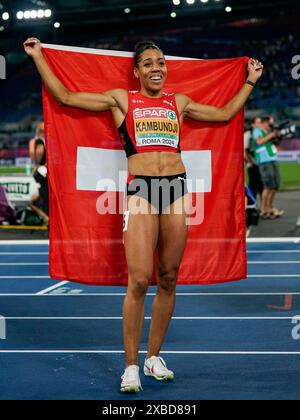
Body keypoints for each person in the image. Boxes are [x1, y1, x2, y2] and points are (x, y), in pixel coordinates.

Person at [23, 37, 264, 393]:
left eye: (161, 62)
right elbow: (66, 98)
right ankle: (131, 365)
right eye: (149, 63)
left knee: (167, 278)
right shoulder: (122, 99)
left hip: (176, 190)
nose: (157, 68)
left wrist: (249, 81)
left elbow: (225, 114)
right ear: (137, 71)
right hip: (142, 191)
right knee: (138, 281)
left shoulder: (178, 102)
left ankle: (153, 358)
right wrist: (39, 56)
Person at [252, 116, 282, 219]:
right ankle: (264, 210)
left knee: (275, 186)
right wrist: (271, 135)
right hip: (264, 161)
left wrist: (278, 136)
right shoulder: (257, 130)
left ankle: (269, 208)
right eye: (270, 124)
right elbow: (259, 142)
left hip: (272, 159)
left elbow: (276, 143)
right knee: (268, 186)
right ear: (264, 123)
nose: (271, 126)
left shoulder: (267, 131)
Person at [244, 116, 264, 200]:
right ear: (252, 125)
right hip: (252, 164)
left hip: (261, 163)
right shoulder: (247, 135)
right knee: (253, 186)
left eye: (260, 122)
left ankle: (264, 209)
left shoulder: (261, 133)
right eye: (257, 123)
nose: (260, 124)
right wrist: (251, 162)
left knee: (262, 186)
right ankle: (251, 207)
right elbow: (244, 151)